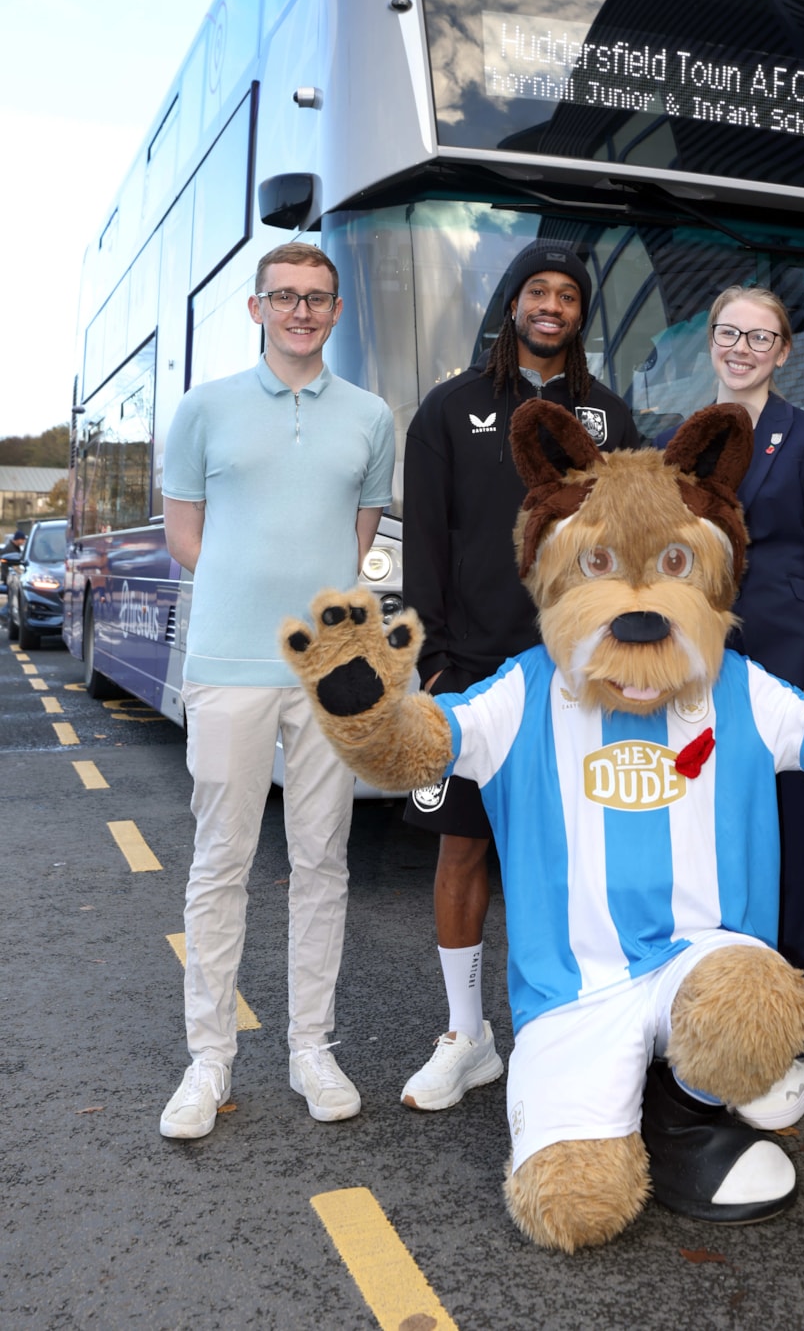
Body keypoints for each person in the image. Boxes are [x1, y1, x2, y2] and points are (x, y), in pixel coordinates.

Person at [158, 241, 395, 1141]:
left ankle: (310, 1049)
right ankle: (209, 1061)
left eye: (318, 298)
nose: (302, 311)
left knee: (323, 862)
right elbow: (189, 536)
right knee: (220, 864)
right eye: (285, 297)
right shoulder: (204, 409)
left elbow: (355, 540)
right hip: (227, 667)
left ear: (336, 312)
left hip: (329, 672)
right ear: (257, 308)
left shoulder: (370, 416)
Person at [399, 239, 641, 1111]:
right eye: (537, 292)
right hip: (472, 669)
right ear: (512, 306)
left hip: (579, 676)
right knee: (462, 850)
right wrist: (430, 660)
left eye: (568, 297)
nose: (552, 307)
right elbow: (424, 539)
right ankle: (466, 1036)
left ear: (580, 316)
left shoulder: (611, 417)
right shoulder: (451, 409)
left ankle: (570, 1029)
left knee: (576, 860)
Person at [658, 285, 804, 1130]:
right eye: (730, 332)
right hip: (699, 678)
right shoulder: (682, 439)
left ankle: (790, 1025)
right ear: (712, 342)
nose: (743, 347)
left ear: (784, 352)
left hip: (785, 674)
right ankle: (711, 1012)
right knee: (708, 851)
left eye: (761, 337)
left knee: (792, 851)